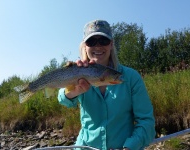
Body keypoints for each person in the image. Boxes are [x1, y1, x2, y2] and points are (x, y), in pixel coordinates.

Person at [58, 19, 156, 150]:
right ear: (85, 46)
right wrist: (72, 92)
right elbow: (63, 99)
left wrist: (130, 147)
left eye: (103, 41)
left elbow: (146, 121)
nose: (98, 46)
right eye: (91, 41)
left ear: (111, 44)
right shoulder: (78, 72)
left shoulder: (131, 77)